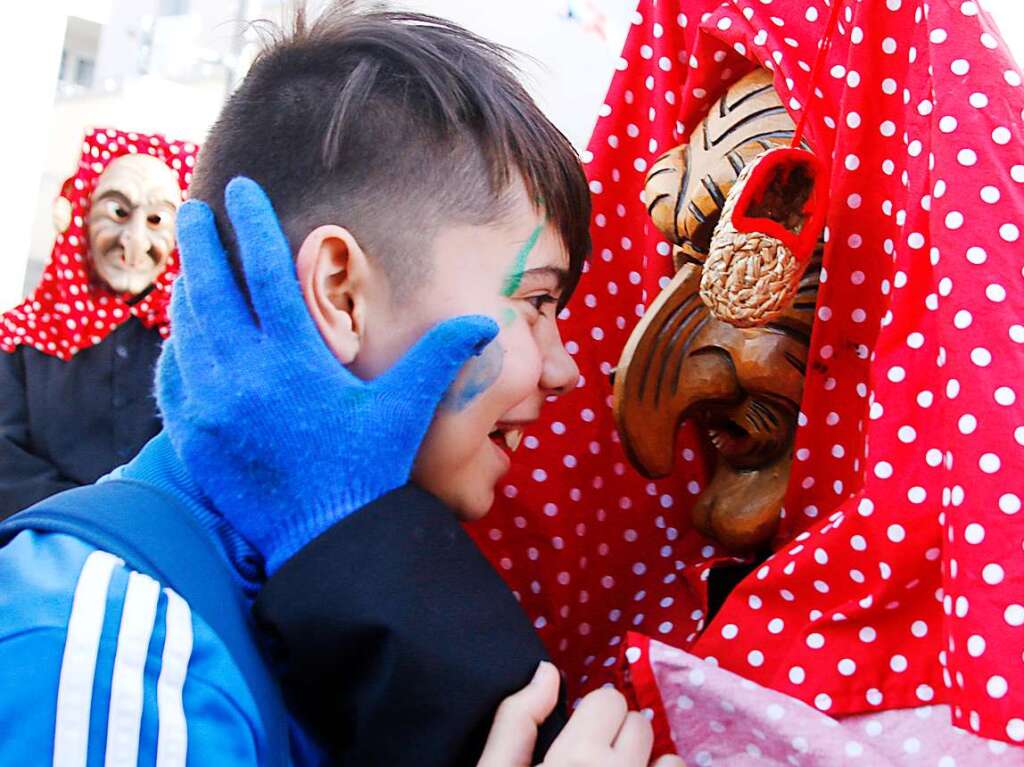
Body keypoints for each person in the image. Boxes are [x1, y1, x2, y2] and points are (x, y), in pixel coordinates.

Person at [0, 6, 684, 767]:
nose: (563, 369)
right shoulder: (125, 647)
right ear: (341, 293)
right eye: (536, 302)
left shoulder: (339, 585)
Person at [0, 128, 197, 518]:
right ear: (80, 215)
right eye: (118, 213)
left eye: (157, 219)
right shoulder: (19, 341)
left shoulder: (196, 349)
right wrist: (93, 520)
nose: (134, 241)